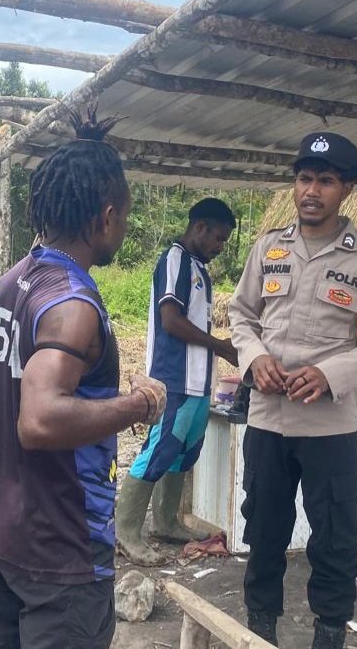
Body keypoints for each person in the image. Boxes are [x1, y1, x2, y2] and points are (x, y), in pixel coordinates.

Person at [0, 110, 167, 649]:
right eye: (125, 215)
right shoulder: (72, 303)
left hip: (2, 530)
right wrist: (138, 405)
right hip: (60, 546)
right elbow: (40, 420)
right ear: (105, 217)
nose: (124, 226)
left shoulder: (14, 280)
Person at [228, 132, 357, 649]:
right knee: (263, 532)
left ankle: (329, 634)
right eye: (304, 178)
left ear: (347, 188)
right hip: (267, 418)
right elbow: (241, 315)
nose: (311, 190)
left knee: (334, 539)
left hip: (328, 426)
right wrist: (254, 358)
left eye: (325, 180)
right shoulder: (268, 247)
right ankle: (260, 631)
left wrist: (331, 374)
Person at [116, 197, 239, 565]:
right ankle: (125, 531)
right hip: (174, 379)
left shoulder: (199, 267)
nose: (220, 246)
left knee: (183, 452)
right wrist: (220, 346)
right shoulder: (176, 260)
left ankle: (166, 521)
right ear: (199, 228)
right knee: (157, 450)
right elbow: (171, 320)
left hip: (198, 383)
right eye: (218, 238)